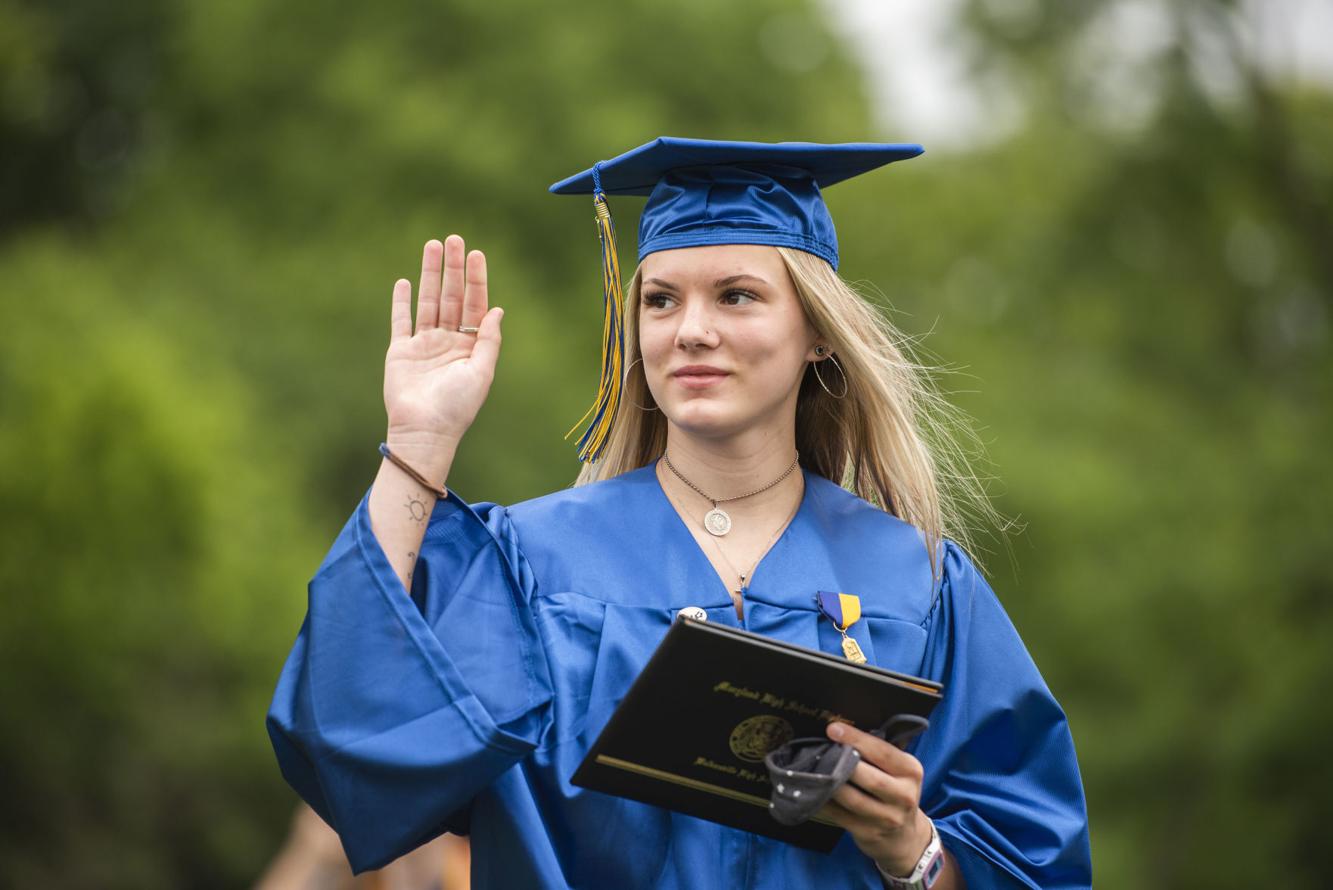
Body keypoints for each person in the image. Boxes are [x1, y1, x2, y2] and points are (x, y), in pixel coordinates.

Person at [267, 138, 1092, 889]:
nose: (690, 330)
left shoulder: (916, 582)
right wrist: (418, 442)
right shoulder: (531, 565)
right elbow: (350, 739)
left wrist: (910, 849)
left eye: (736, 296)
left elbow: (1035, 866)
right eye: (660, 301)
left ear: (817, 333)